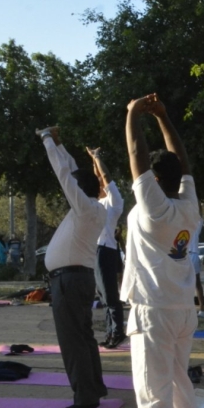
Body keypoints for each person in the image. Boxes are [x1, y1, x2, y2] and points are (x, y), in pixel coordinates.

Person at [121, 94, 203, 408]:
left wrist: (134, 114)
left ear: (154, 183)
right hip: (181, 310)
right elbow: (182, 162)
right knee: (178, 388)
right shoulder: (189, 206)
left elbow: (137, 155)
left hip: (153, 311)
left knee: (154, 395)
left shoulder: (154, 207)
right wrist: (165, 117)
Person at [37, 126, 108, 408]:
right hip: (78, 278)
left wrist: (46, 140)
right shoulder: (95, 208)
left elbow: (65, 175)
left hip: (69, 280)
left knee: (73, 339)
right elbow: (74, 171)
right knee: (84, 336)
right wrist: (60, 143)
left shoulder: (85, 208)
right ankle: (94, 388)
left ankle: (86, 396)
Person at [90, 148, 126, 348]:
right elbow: (97, 176)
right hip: (97, 251)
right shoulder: (99, 201)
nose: (100, 185)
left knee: (111, 296)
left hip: (106, 251)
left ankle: (117, 332)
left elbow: (105, 176)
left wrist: (97, 157)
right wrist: (93, 161)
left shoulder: (115, 202)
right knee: (103, 296)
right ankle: (110, 332)